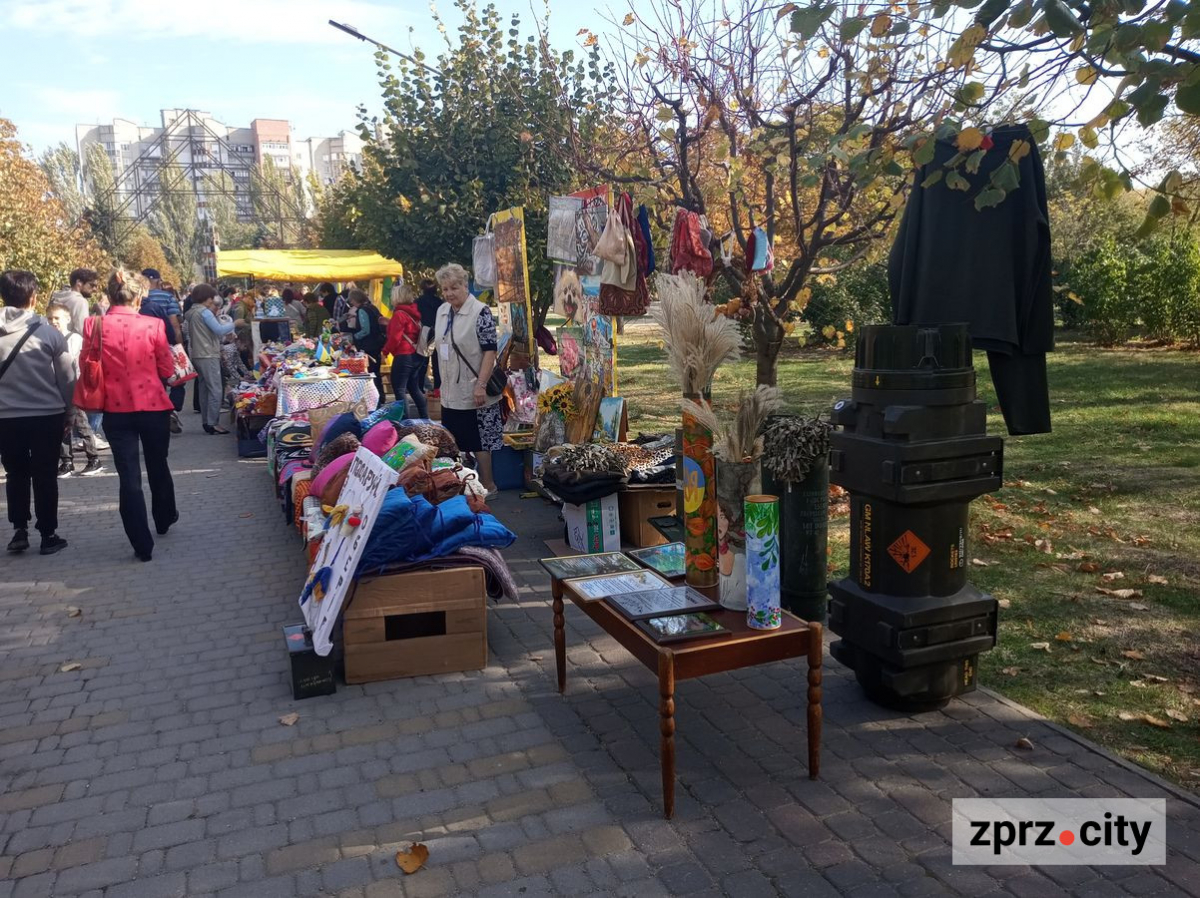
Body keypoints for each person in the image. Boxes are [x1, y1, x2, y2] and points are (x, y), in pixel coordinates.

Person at [82, 268, 177, 562]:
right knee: (157, 463)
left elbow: (86, 366)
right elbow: (167, 370)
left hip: (115, 410)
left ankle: (141, 543)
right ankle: (163, 516)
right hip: (153, 407)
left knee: (129, 477)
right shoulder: (153, 326)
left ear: (110, 296)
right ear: (138, 299)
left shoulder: (92, 325)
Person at [0, 270, 74, 555]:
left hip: (5, 418)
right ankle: (48, 533)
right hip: (46, 415)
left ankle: (19, 530)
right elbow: (66, 377)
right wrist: (70, 410)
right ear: (33, 297)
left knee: (15, 473)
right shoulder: (48, 333)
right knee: (45, 475)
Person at [433, 263, 502, 494]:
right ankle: (462, 484)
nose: (449, 293)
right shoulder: (442, 311)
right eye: (445, 289)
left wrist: (481, 385)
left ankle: (488, 486)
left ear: (465, 285)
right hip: (450, 390)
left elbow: (490, 351)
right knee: (453, 441)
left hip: (474, 388)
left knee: (479, 440)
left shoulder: (480, 311)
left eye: (454, 287)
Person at [46, 304, 104, 477]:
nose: (54, 322)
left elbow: (80, 365)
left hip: (73, 387)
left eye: (57, 318)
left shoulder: (74, 339)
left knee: (81, 424)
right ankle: (66, 461)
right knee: (62, 427)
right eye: (50, 318)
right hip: (55, 388)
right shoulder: (47, 338)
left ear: (67, 319)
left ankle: (93, 458)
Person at [183, 284, 235, 435]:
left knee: (204, 389)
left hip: (197, 354)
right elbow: (219, 329)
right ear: (206, 298)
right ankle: (213, 422)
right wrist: (234, 324)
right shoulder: (204, 313)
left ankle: (206, 421)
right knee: (216, 389)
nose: (213, 300)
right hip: (208, 353)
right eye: (211, 297)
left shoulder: (191, 312)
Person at [140, 269, 184, 433]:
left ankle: (159, 411)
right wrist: (179, 347)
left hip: (142, 347)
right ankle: (171, 409)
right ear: (158, 281)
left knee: (155, 382)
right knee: (176, 378)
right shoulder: (166, 297)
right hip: (164, 343)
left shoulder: (136, 299)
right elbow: (174, 324)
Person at [382, 283, 427, 418]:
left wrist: (385, 351)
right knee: (414, 388)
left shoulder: (399, 314)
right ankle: (425, 418)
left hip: (403, 355)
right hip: (416, 355)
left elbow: (395, 338)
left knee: (400, 390)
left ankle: (406, 422)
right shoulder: (413, 313)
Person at [346, 289, 386, 401]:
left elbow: (365, 330)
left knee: (370, 372)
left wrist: (353, 337)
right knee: (376, 372)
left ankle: (375, 397)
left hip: (369, 345)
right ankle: (380, 396)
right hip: (377, 343)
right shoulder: (372, 307)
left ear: (354, 300)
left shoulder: (362, 310)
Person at [49, 267, 97, 337]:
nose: (95, 289)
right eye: (92, 285)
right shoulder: (80, 302)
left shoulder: (56, 297)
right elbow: (82, 331)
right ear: (79, 283)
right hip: (70, 345)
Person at [416, 278, 444, 394]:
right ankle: (438, 387)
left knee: (423, 361)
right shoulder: (440, 302)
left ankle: (419, 387)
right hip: (438, 332)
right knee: (437, 362)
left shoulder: (418, 302)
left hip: (425, 332)